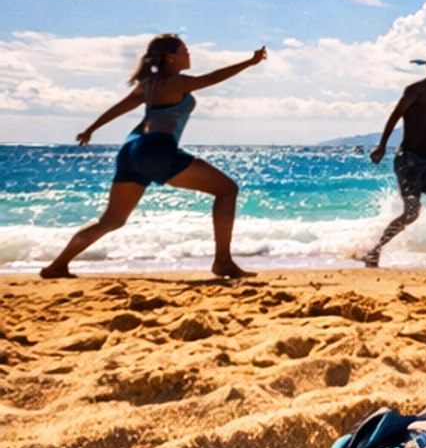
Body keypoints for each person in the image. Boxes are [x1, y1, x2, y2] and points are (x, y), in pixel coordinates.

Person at [41, 33, 267, 280]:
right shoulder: (176, 83)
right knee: (227, 190)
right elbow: (213, 78)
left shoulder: (148, 84)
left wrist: (91, 130)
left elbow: (120, 107)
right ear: (171, 57)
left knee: (112, 220)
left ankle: (58, 266)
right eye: (185, 50)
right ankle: (223, 262)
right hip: (155, 148)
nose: (189, 54)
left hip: (130, 150)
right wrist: (249, 62)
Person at [362, 50, 426, 270]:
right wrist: (382, 145)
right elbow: (396, 115)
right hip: (408, 159)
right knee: (412, 212)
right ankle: (374, 252)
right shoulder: (416, 90)